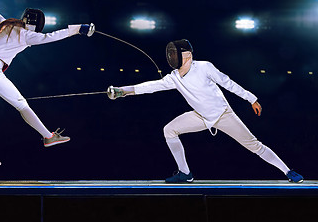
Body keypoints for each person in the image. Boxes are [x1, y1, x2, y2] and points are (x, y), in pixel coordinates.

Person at [108, 39, 304, 183]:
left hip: (223, 115)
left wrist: (251, 98)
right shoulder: (174, 77)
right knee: (169, 130)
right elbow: (150, 86)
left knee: (255, 145)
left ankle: (287, 171)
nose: (171, 57)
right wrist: (122, 91)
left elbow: (228, 83)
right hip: (200, 117)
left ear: (187, 55)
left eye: (175, 53)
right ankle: (185, 173)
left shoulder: (204, 67)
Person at [0, 2, 95, 166]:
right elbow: (51, 36)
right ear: (36, 25)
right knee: (22, 105)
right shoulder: (27, 34)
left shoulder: (8, 24)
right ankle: (48, 137)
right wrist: (78, 28)